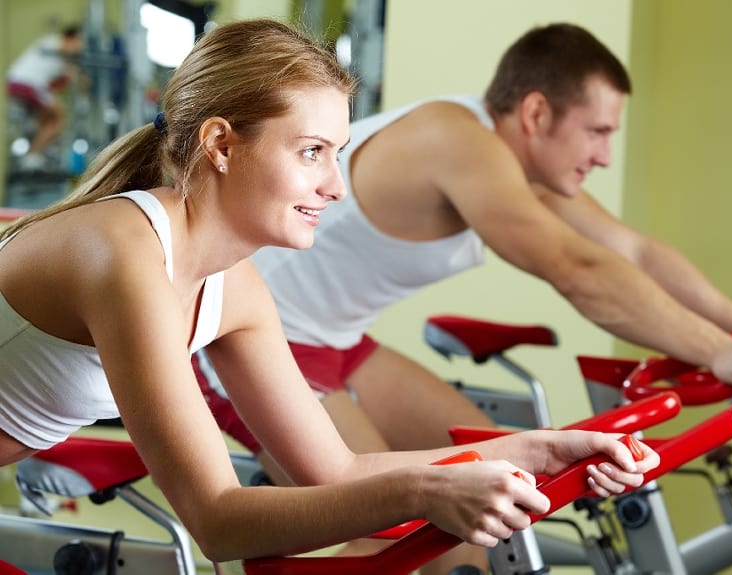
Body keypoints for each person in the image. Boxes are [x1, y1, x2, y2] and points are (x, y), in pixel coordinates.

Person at [0, 18, 659, 569]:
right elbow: (218, 519)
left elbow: (337, 468)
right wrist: (426, 489)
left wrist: (543, 449)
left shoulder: (237, 287)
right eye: (312, 151)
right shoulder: (128, 251)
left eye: (337, 153)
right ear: (222, 144)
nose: (337, 187)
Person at [194, 21, 732, 573]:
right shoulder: (456, 140)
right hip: (254, 342)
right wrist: (718, 352)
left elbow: (635, 252)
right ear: (536, 113)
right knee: (394, 532)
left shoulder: (518, 169)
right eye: (596, 131)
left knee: (501, 497)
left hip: (335, 340)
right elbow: (575, 267)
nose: (604, 155)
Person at [6, 24, 84, 171]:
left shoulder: (56, 55)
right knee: (59, 119)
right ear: (71, 38)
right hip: (27, 83)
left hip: (20, 84)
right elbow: (69, 69)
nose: (80, 46)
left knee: (48, 121)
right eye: (79, 41)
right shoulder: (53, 42)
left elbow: (60, 82)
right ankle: (32, 157)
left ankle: (37, 151)